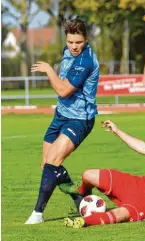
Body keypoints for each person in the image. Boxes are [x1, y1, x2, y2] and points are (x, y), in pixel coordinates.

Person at [25, 18, 100, 224]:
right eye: (70, 42)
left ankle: (37, 214)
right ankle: (79, 200)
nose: (74, 47)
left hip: (80, 119)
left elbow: (63, 90)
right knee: (47, 166)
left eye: (79, 42)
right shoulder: (68, 52)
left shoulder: (85, 61)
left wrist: (49, 70)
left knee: (53, 162)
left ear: (86, 39)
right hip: (61, 115)